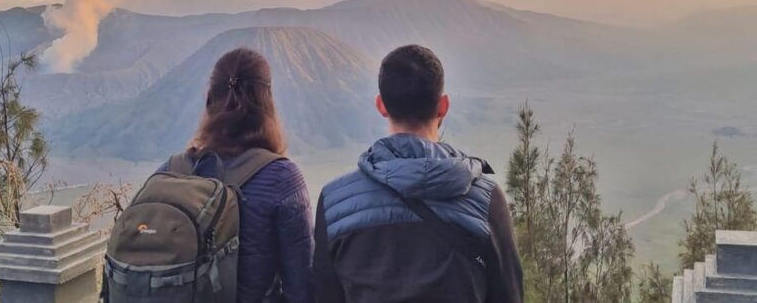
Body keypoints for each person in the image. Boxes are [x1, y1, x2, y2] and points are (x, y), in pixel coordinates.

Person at [313, 45, 523, 303]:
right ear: (443, 106)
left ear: (381, 105)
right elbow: (509, 295)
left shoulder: (334, 205)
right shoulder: (487, 201)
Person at [156, 48, 314, 303]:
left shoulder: (169, 172)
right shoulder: (281, 178)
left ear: (209, 100)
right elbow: (302, 288)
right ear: (267, 105)